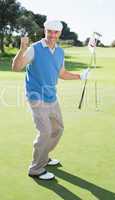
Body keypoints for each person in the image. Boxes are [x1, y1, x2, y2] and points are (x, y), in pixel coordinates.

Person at [12, 20, 89, 180]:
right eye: (49, 31)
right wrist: (22, 50)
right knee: (45, 131)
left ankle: (44, 156)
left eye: (56, 32)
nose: (52, 35)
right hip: (36, 96)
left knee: (58, 129)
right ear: (45, 30)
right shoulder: (34, 49)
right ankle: (36, 168)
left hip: (51, 96)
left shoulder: (60, 52)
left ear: (60, 33)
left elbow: (61, 73)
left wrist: (80, 76)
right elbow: (16, 67)